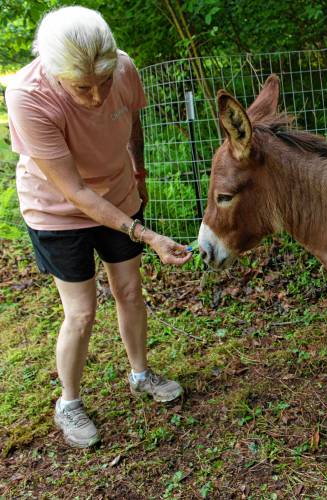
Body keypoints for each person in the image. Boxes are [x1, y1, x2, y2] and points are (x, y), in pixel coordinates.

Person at [5, 6, 192, 448]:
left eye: (103, 83)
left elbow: (133, 121)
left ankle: (141, 374)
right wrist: (146, 234)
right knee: (81, 312)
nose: (95, 97)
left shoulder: (123, 68)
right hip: (58, 212)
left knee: (130, 291)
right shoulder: (27, 96)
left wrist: (139, 174)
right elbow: (74, 192)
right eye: (81, 88)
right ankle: (68, 403)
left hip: (118, 197)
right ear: (54, 72)